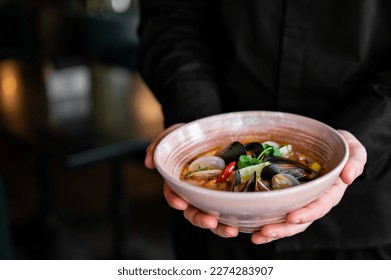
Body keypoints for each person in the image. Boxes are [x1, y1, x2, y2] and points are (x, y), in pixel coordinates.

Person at [137, 0, 391, 259]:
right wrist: (198, 126)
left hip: (361, 220)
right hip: (210, 217)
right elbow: (170, 16)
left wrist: (356, 137)